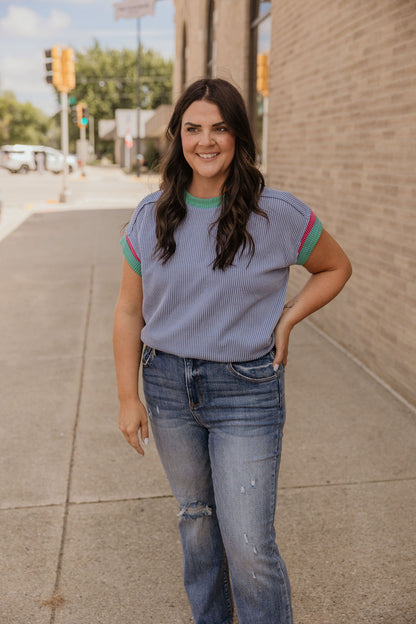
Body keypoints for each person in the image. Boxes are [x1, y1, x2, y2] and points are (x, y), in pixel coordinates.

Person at [113, 78, 352, 624]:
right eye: (193, 128)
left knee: (247, 541)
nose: (206, 141)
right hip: (169, 387)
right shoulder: (151, 214)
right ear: (178, 138)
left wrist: (289, 317)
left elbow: (335, 267)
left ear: (238, 135)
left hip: (246, 389)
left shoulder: (277, 213)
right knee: (197, 522)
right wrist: (129, 398)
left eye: (219, 127)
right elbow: (129, 311)